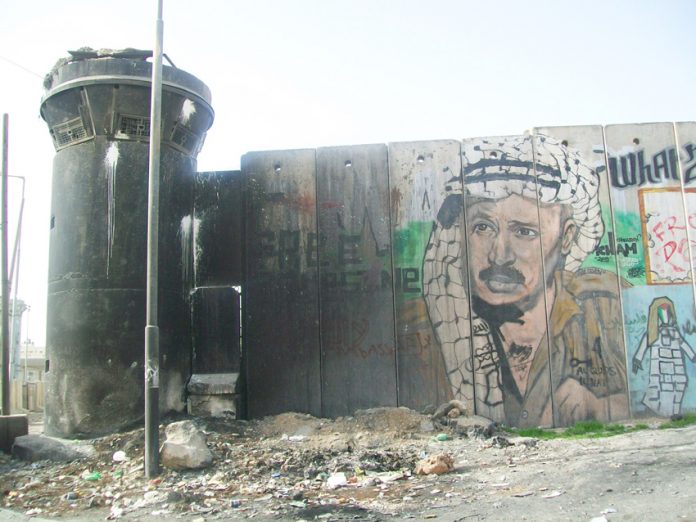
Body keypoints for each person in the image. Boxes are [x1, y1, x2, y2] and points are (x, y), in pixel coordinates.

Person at [423, 134, 629, 427]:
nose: (500, 256)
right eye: (483, 227)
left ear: (567, 237)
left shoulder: (610, 308)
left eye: (524, 232)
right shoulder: (426, 331)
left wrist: (599, 407)